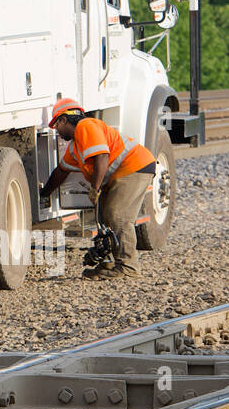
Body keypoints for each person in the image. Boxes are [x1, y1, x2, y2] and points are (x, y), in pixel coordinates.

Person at [38, 98, 157, 279]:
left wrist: (94, 189)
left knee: (117, 214)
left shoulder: (86, 126)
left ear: (63, 120)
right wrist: (44, 193)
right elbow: (61, 172)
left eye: (56, 126)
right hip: (122, 171)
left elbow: (102, 156)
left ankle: (129, 267)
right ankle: (110, 262)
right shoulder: (75, 147)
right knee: (103, 217)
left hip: (135, 166)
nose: (57, 132)